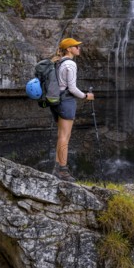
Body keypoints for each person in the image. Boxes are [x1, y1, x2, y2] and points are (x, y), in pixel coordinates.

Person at [50, 37, 94, 182]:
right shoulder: (70, 64)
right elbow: (73, 88)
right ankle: (63, 170)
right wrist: (86, 96)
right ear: (69, 49)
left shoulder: (58, 62)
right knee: (65, 136)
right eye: (76, 46)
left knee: (61, 135)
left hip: (56, 101)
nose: (79, 48)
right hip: (66, 101)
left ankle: (57, 167)